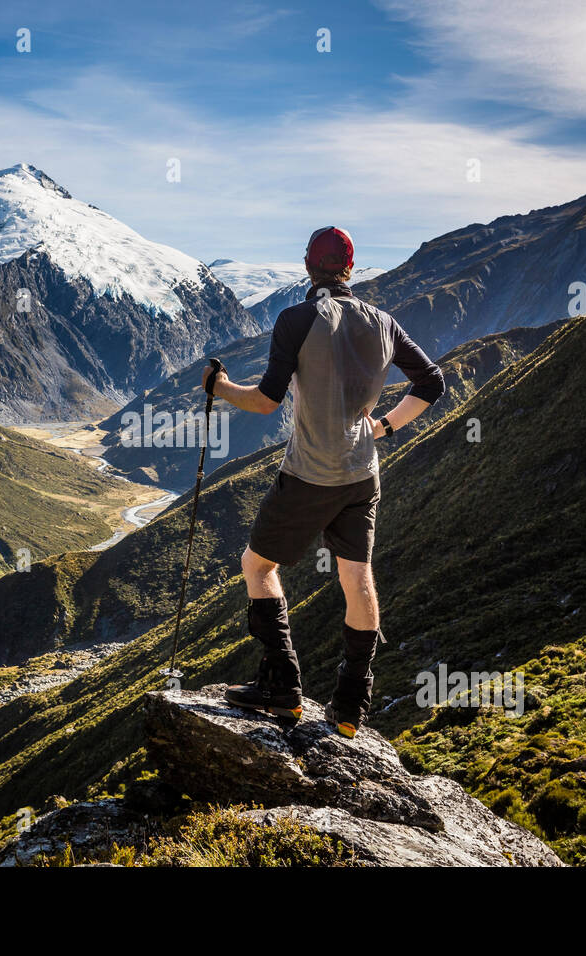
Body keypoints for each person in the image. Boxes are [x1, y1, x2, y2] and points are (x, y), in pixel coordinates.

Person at [201, 226, 444, 737]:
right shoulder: (383, 323)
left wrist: (220, 387)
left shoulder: (296, 319)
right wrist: (384, 426)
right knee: (357, 579)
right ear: (350, 268)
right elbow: (432, 382)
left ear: (308, 267)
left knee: (257, 564)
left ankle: (282, 686)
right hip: (363, 473)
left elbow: (266, 400)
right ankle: (351, 707)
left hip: (311, 472)